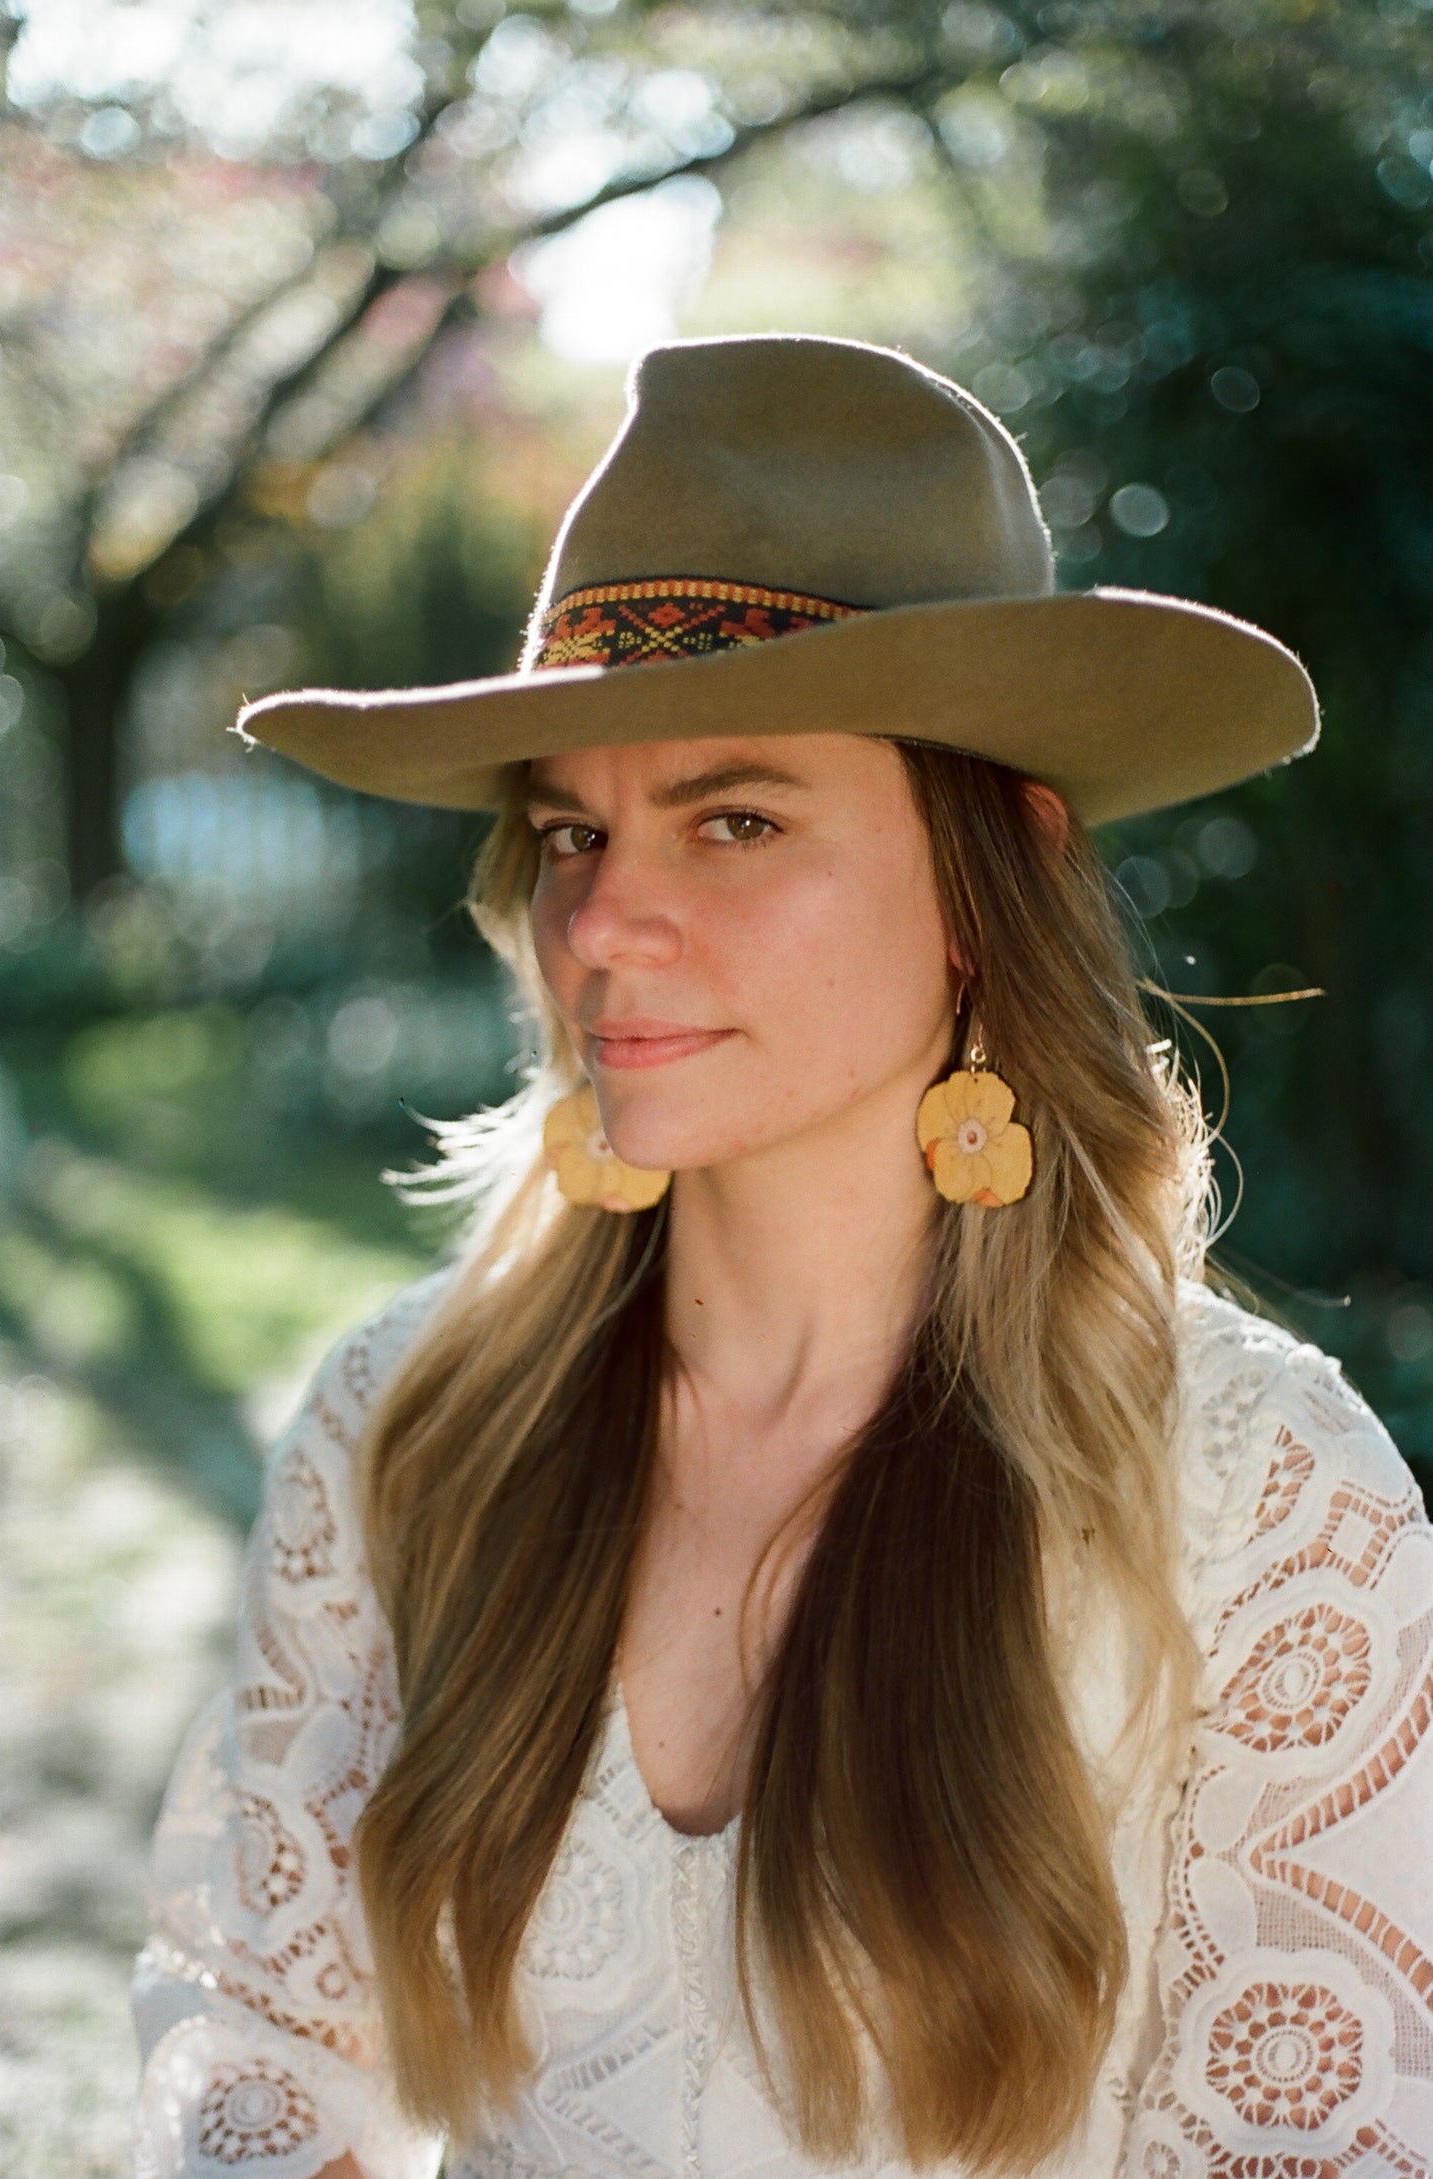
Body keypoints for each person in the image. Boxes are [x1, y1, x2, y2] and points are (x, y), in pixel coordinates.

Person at [131, 334, 1433, 2179]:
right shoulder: (408, 1425)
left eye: (733, 818)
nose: (602, 917)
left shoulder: (1256, 1494)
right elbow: (256, 2041)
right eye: (574, 828)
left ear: (994, 875)